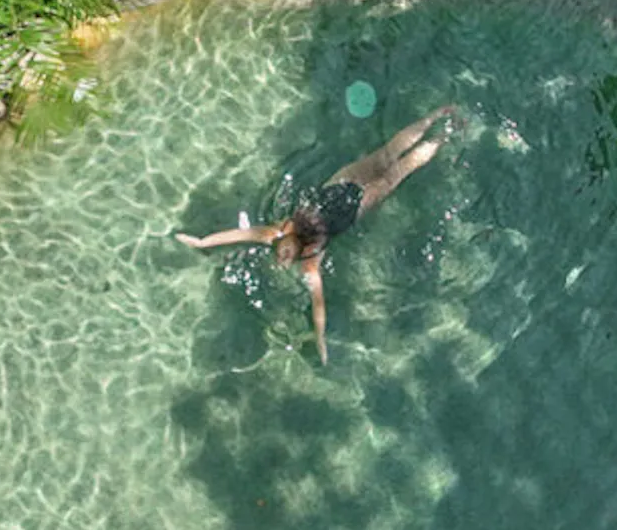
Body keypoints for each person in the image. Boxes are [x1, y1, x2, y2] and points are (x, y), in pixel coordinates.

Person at [177, 105, 459, 363]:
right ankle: (437, 115)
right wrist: (201, 241)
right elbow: (237, 235)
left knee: (399, 172)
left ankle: (444, 136)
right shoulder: (279, 228)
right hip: (344, 182)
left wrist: (320, 338)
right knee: (387, 154)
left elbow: (318, 305)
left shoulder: (310, 259)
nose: (281, 260)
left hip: (358, 205)